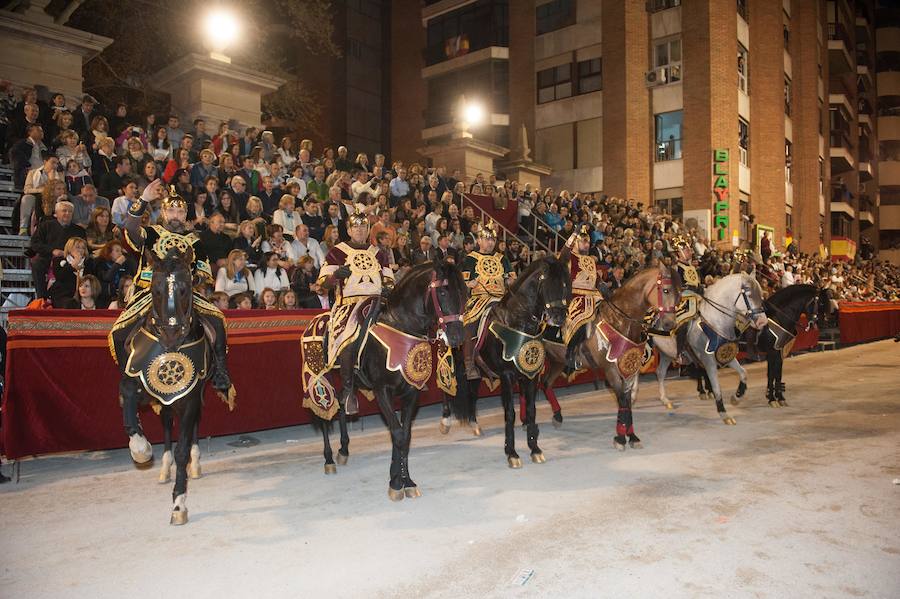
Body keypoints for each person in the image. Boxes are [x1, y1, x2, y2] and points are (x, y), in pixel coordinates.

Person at [111, 179, 232, 463]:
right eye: (170, 211)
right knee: (118, 331)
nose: (176, 216)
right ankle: (128, 375)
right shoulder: (151, 233)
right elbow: (129, 229)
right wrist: (142, 198)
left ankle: (221, 371)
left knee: (217, 320)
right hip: (150, 292)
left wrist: (189, 278)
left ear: (186, 214)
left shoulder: (194, 240)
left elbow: (204, 272)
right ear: (163, 213)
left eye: (180, 212)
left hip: (183, 294)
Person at [317, 209, 394, 414]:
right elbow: (322, 284)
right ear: (349, 230)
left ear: (368, 229)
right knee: (348, 334)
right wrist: (336, 277)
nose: (360, 230)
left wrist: (387, 288)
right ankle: (349, 390)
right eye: (356, 227)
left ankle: (407, 375)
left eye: (363, 227)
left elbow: (389, 279)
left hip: (378, 301)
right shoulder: (336, 252)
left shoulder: (379, 253)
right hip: (349, 305)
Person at [460, 222, 514, 379]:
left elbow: (512, 278)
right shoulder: (470, 259)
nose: (491, 242)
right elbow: (463, 282)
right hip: (480, 298)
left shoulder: (502, 259)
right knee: (470, 321)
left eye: (493, 239)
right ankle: (469, 363)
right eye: (487, 239)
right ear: (478, 241)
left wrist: (509, 280)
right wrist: (470, 283)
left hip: (502, 298)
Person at [559, 226, 603, 365]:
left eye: (588, 242)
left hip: (594, 296)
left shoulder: (591, 260)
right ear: (576, 243)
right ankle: (571, 350)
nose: (587, 244)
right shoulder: (569, 257)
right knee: (580, 318)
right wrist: (573, 235)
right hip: (575, 296)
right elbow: (563, 253)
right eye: (583, 241)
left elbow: (595, 281)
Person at [28, 201, 86, 299]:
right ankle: (41, 298)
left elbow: (83, 247)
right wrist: (52, 250)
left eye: (70, 211)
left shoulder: (79, 230)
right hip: (48, 256)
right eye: (64, 211)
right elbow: (35, 243)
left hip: (71, 259)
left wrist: (71, 254)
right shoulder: (45, 226)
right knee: (37, 264)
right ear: (56, 213)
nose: (67, 213)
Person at [95, 240, 135, 308]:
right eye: (117, 251)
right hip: (106, 298)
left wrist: (127, 255)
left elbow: (132, 271)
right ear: (109, 252)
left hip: (122, 297)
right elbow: (107, 277)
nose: (120, 253)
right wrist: (117, 264)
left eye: (121, 251)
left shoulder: (126, 264)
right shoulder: (101, 263)